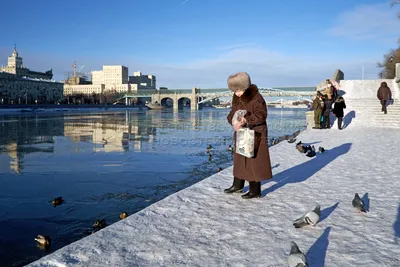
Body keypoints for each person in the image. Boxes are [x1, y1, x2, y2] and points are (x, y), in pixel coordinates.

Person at [225, 72, 273, 199]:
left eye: (238, 90)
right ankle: (237, 185)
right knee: (240, 159)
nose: (236, 93)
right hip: (241, 132)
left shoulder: (257, 98)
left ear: (245, 87)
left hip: (255, 133)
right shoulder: (237, 97)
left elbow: (261, 115)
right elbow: (232, 113)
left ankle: (255, 190)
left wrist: (247, 120)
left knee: (253, 161)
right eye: (234, 91)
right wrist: (233, 121)